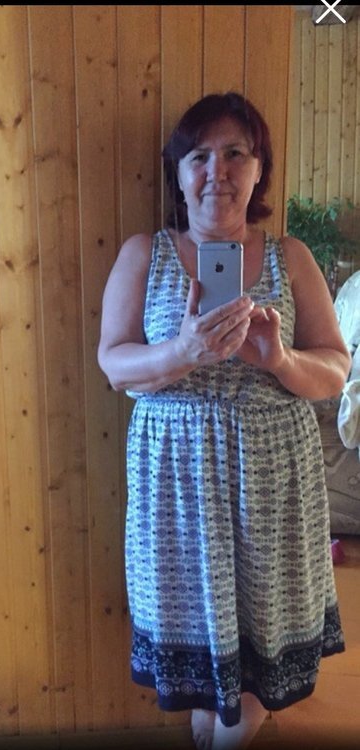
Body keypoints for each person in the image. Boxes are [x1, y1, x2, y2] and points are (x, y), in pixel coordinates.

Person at [97, 92, 351, 750]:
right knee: (205, 690)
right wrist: (184, 351)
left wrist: (279, 359)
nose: (218, 171)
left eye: (236, 153)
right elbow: (114, 364)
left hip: (274, 484)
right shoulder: (144, 253)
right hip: (178, 492)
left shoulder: (290, 257)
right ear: (179, 174)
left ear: (260, 169)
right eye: (199, 156)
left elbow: (334, 370)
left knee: (254, 676)